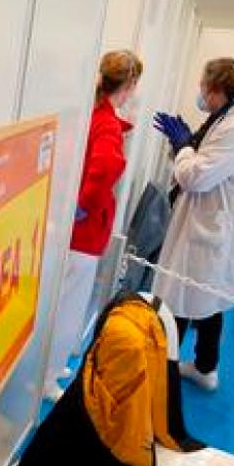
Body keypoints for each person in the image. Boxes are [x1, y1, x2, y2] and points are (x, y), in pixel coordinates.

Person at [151, 58, 234, 392]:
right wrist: (188, 145)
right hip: (214, 223)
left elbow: (195, 177)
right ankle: (205, 367)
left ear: (217, 90)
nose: (201, 93)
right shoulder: (231, 117)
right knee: (204, 300)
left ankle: (161, 374)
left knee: (181, 300)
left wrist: (183, 147)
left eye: (204, 87)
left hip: (216, 230)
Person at [43, 50, 144, 401]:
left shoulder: (92, 115)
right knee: (69, 307)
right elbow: (103, 170)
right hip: (83, 233)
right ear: (130, 85)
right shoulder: (106, 125)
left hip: (71, 227)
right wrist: (83, 207)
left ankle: (50, 365)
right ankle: (47, 376)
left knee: (60, 300)